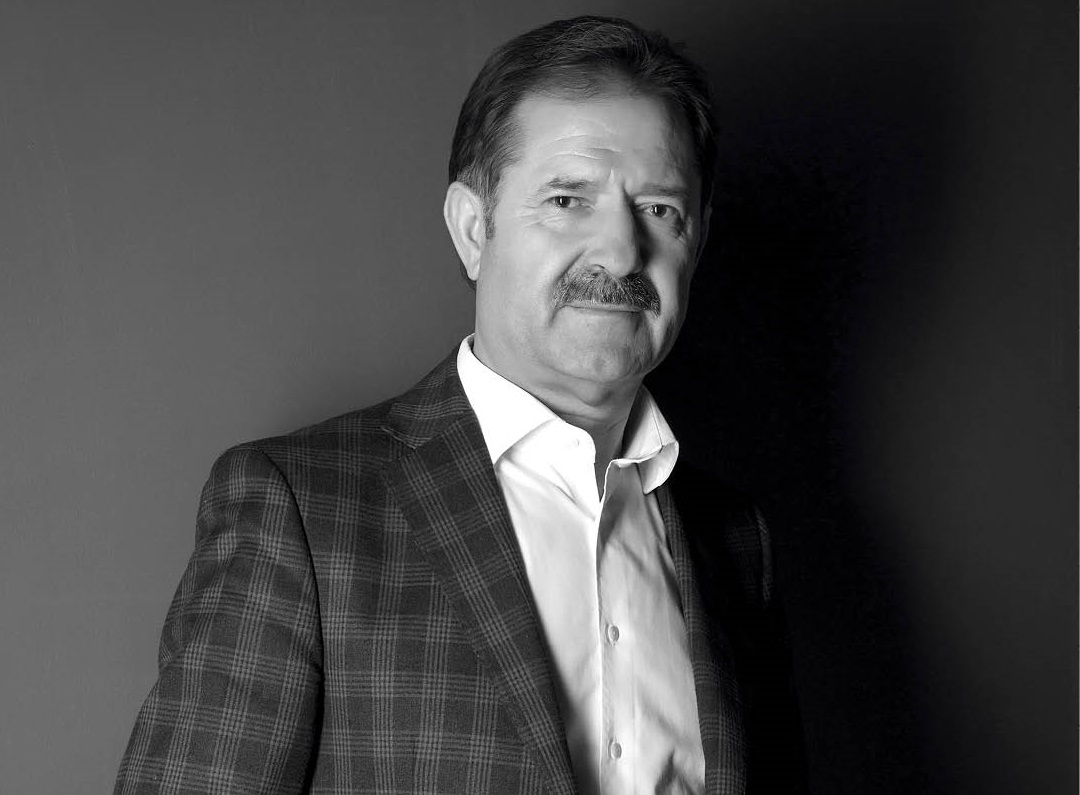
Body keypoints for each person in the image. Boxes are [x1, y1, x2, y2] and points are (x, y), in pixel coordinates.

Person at [115, 15, 805, 795]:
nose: (620, 251)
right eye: (567, 199)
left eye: (658, 209)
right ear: (474, 229)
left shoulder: (734, 539)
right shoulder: (302, 509)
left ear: (696, 242)